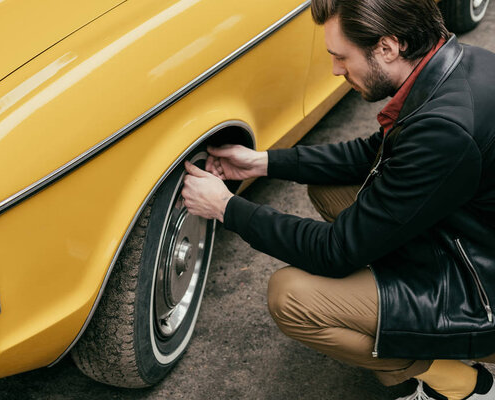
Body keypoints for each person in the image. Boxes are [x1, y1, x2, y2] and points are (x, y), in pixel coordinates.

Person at [181, 0, 495, 398]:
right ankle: (387, 299)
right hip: (472, 238)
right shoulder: (456, 65)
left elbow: (334, 251)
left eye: (340, 57)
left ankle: (462, 385)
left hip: (482, 295)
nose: (335, 70)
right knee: (331, 190)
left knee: (292, 297)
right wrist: (261, 163)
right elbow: (372, 156)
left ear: (387, 47)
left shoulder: (444, 130)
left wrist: (226, 208)